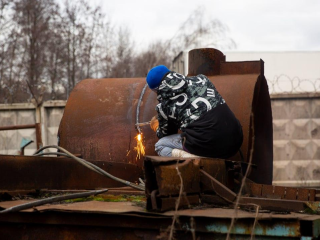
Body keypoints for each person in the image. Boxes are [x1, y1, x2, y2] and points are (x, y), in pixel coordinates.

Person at [147, 65, 243, 158]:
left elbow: (166, 135)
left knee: (160, 145)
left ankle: (196, 161)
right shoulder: (202, 79)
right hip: (236, 140)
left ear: (156, 89)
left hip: (210, 146)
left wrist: (157, 126)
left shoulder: (164, 106)